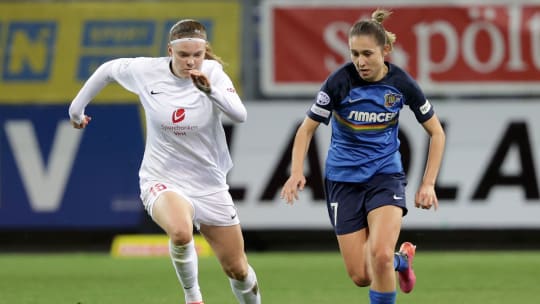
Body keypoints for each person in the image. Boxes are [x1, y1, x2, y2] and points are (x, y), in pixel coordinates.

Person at [69, 19, 261, 304]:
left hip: (209, 183)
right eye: (183, 55)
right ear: (170, 51)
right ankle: (193, 297)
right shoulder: (146, 71)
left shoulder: (213, 74)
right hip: (161, 178)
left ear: (204, 51)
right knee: (181, 233)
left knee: (238, 269)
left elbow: (240, 114)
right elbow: (107, 70)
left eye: (196, 54)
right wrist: (76, 109)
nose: (190, 61)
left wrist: (210, 91)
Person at [280, 9, 445, 304]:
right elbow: (305, 130)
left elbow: (437, 133)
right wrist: (296, 172)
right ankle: (402, 261)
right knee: (361, 275)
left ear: (386, 50)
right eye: (354, 54)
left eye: (367, 53)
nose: (360, 61)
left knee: (379, 254)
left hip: (385, 176)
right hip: (343, 181)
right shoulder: (339, 82)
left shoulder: (401, 83)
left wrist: (428, 183)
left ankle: (390, 259)